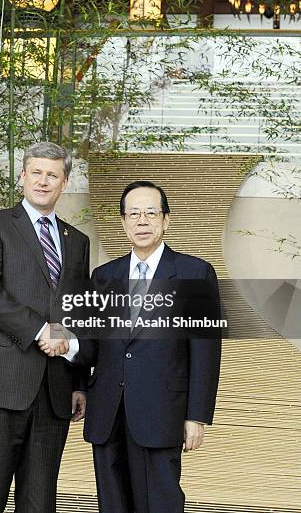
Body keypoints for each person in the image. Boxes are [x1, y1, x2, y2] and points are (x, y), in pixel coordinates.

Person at [40, 180, 221, 513]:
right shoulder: (103, 276)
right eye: (133, 214)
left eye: (151, 213)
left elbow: (206, 353)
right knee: (113, 504)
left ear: (166, 220)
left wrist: (197, 416)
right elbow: (89, 339)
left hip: (162, 412)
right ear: (123, 222)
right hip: (108, 410)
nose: (142, 221)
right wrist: (79, 386)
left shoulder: (195, 272)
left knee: (162, 502)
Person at [0, 142, 90, 513]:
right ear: (22, 176)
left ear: (64, 182)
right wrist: (40, 331)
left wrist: (79, 381)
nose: (43, 181)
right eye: (37, 172)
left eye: (53, 175)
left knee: (40, 501)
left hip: (54, 391)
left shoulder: (77, 242)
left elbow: (76, 311)